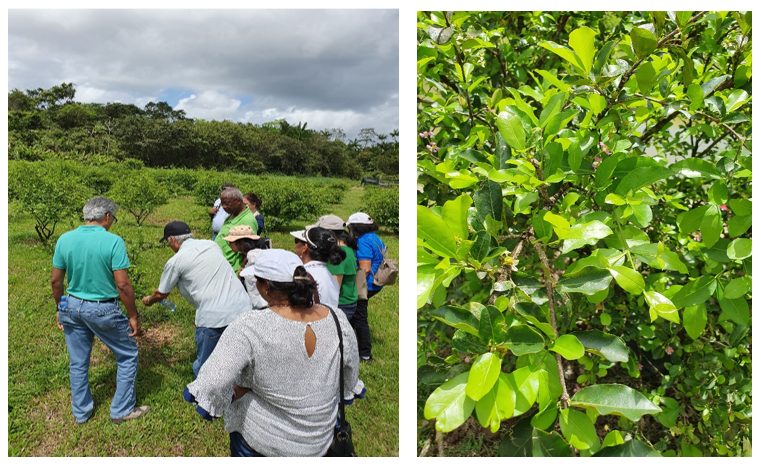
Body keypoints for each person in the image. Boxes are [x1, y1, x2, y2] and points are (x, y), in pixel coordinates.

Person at [183, 249, 360, 457]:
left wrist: (236, 392)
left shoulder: (250, 326)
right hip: (320, 439)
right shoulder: (337, 319)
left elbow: (211, 383)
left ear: (266, 287)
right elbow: (349, 375)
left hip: (263, 441)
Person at [51, 196, 149, 424]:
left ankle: (81, 413)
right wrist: (133, 315)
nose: (112, 221)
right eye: (113, 217)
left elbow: (56, 282)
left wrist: (60, 307)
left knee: (77, 361)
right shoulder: (113, 241)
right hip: (102, 309)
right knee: (127, 354)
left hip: (72, 306)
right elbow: (123, 285)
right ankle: (121, 410)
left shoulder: (65, 239)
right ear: (106, 217)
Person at [142, 221, 251, 378]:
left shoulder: (175, 262)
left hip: (213, 317)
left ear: (172, 240)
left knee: (205, 365)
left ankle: (202, 399)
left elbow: (161, 294)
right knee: (240, 358)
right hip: (243, 307)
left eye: (167, 242)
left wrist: (148, 300)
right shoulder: (211, 245)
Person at [346, 212, 387, 362]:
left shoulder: (363, 241)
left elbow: (365, 268)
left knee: (359, 317)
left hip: (365, 283)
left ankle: (365, 354)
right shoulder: (374, 237)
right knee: (357, 315)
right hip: (374, 283)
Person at [313, 215, 358, 321]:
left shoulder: (338, 255)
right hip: (349, 302)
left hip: (341, 304)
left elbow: (335, 286)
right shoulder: (347, 249)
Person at [290, 226, 344, 309]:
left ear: (305, 248)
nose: (295, 245)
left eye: (297, 241)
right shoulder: (330, 276)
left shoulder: (304, 275)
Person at [223, 225, 269, 309]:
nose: (229, 244)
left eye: (230, 242)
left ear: (239, 243)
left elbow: (253, 287)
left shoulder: (253, 257)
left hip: (259, 305)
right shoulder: (247, 256)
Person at [214, 188, 259, 272]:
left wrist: (240, 272)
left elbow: (248, 252)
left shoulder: (248, 220)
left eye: (227, 204)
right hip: (222, 264)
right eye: (222, 204)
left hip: (232, 269)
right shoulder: (232, 214)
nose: (224, 207)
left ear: (238, 201)